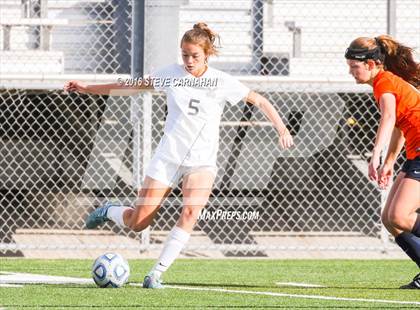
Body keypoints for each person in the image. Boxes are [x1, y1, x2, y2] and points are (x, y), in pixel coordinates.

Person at [64, 22, 294, 288]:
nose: (188, 60)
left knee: (190, 213)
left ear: (207, 54)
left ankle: (155, 274)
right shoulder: (170, 74)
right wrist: (87, 87)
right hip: (168, 158)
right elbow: (130, 86)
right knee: (138, 223)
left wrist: (282, 129)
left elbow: (260, 101)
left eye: (195, 55)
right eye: (184, 54)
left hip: (201, 163)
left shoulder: (221, 81)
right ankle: (111, 211)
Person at [345, 35, 420, 289]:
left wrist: (375, 154)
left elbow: (388, 117)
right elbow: (399, 126)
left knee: (400, 216)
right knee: (389, 219)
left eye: (354, 67)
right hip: (414, 152)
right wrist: (389, 161)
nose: (351, 72)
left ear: (372, 64)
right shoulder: (386, 82)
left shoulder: (384, 81)